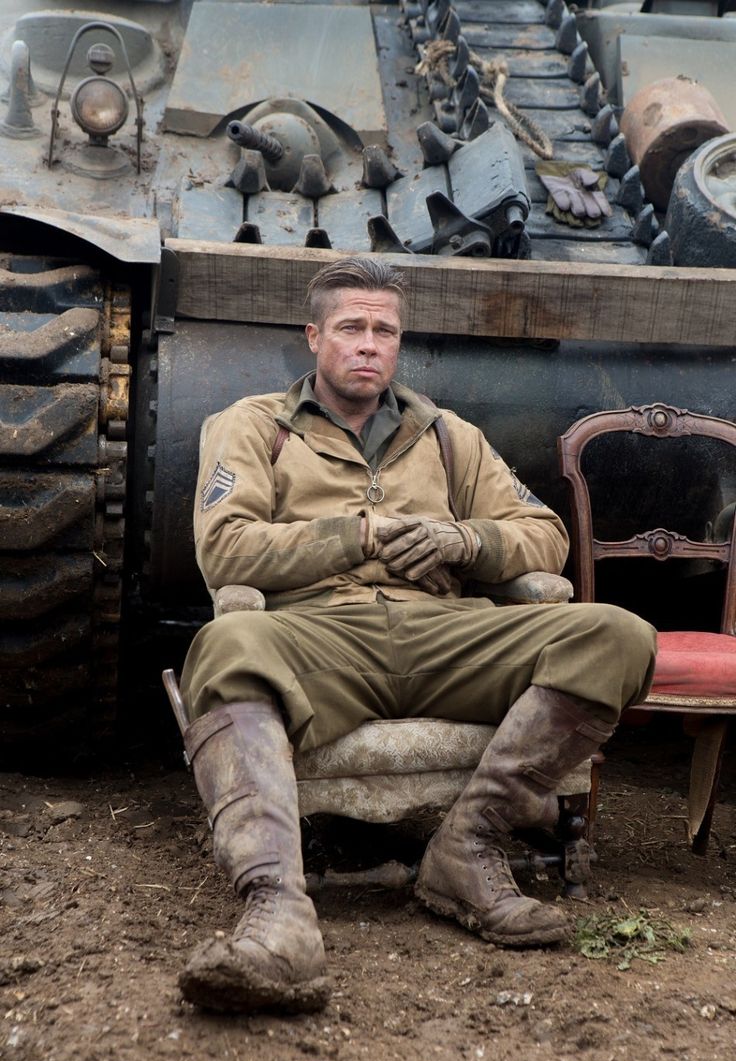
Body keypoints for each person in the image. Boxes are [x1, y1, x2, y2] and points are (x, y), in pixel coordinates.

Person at [177, 256, 656, 1015]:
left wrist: (465, 544)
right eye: (351, 328)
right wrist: (357, 534)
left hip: (445, 634)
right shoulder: (253, 427)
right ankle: (277, 912)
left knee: (617, 635)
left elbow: (544, 535)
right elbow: (226, 548)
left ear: (399, 343)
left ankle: (466, 850)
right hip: (322, 635)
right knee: (226, 647)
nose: (368, 344)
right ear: (314, 336)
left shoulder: (446, 436)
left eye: (384, 330)